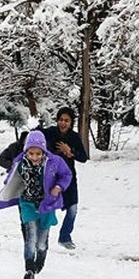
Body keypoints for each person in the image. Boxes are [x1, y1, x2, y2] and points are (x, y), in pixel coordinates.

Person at [0, 130, 72, 279]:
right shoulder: (20, 163)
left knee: (41, 242)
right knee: (30, 237)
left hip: (46, 204)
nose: (34, 157)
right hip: (27, 203)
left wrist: (58, 187)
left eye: (38, 153)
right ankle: (29, 268)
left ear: (43, 151)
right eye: (31, 153)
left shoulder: (54, 162)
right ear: (26, 152)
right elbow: (12, 177)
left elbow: (66, 175)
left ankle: (40, 259)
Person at [42, 107, 89, 250]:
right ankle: (43, 236)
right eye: (61, 120)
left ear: (71, 123)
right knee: (48, 208)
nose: (63, 123)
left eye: (66, 121)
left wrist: (70, 152)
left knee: (73, 208)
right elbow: (35, 138)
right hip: (51, 178)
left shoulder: (74, 137)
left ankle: (65, 237)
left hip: (68, 177)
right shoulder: (50, 133)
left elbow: (83, 158)